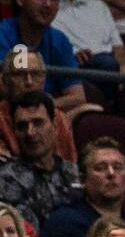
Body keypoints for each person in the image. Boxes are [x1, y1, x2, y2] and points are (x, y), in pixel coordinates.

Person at [0, 0, 86, 117]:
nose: (48, 4)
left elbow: (78, 97)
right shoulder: (2, 33)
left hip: (45, 116)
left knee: (91, 109)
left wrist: (45, 104)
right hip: (8, 114)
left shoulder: (60, 40)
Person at [0, 91, 80, 229]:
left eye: (38, 123)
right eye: (22, 126)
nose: (30, 132)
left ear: (55, 127)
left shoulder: (75, 172)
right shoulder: (6, 178)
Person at [0, 49, 75, 165]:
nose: (29, 82)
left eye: (35, 74)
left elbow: (69, 166)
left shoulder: (59, 118)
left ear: (44, 79)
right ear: (5, 80)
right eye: (20, 74)